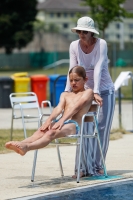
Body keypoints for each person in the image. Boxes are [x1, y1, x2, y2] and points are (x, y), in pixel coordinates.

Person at [5, 66, 93, 158]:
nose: (73, 83)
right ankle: (21, 144)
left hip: (74, 125)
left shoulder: (88, 92)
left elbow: (77, 107)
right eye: (71, 80)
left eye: (77, 80)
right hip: (62, 122)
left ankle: (27, 147)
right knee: (41, 131)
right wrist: (49, 120)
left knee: (50, 133)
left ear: (85, 79)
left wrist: (62, 120)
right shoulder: (65, 94)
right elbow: (58, 108)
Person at [65, 16, 115, 177]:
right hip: (85, 91)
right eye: (79, 31)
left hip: (104, 90)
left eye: (85, 31)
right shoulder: (74, 45)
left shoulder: (101, 44)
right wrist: (68, 92)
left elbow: (99, 67)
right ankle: (82, 167)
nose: (81, 34)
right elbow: (72, 70)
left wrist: (97, 91)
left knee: (102, 128)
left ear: (91, 32)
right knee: (83, 128)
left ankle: (98, 165)